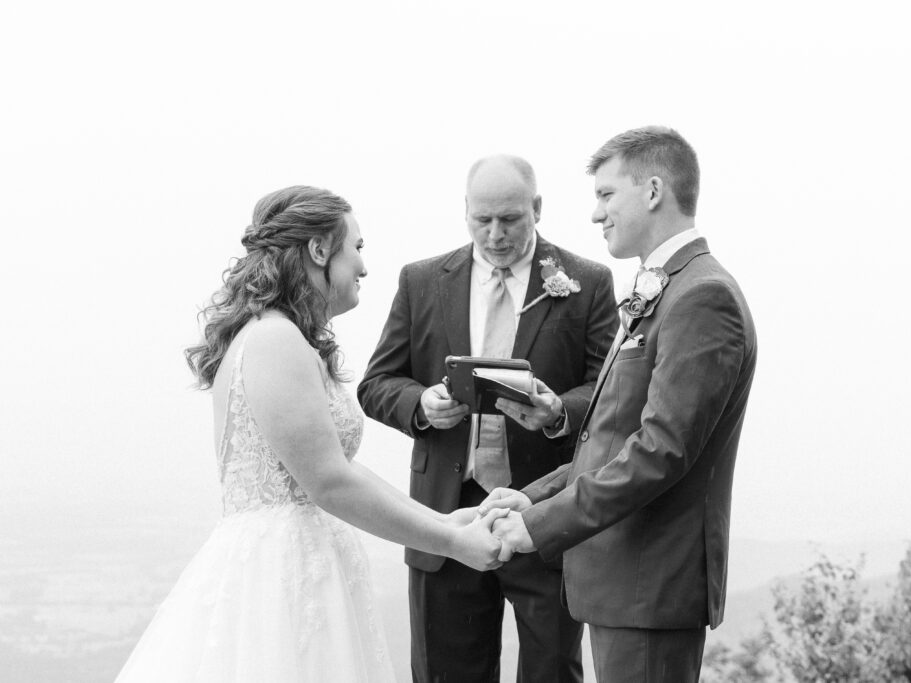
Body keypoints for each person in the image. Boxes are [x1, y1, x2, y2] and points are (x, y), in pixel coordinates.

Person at [115, 185, 508, 683]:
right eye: (357, 248)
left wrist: (448, 522)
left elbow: (339, 471)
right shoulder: (275, 339)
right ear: (320, 250)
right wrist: (452, 545)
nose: (364, 267)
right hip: (278, 585)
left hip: (303, 567)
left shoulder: (281, 336)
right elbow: (330, 484)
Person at [480, 127, 759, 683]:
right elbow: (610, 438)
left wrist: (538, 525)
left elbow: (660, 450)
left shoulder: (702, 295)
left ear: (653, 190)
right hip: (620, 585)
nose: (595, 214)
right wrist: (529, 496)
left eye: (607, 195)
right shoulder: (666, 286)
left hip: (649, 588)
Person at [357, 155, 618, 682]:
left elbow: (611, 392)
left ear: (537, 210)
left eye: (511, 219)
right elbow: (377, 384)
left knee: (551, 673)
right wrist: (422, 406)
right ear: (466, 213)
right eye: (483, 220)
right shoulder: (423, 280)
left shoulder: (587, 282)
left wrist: (556, 411)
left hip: (544, 515)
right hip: (446, 518)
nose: (496, 234)